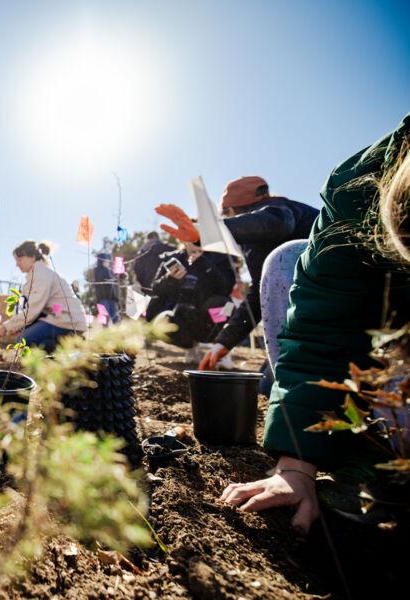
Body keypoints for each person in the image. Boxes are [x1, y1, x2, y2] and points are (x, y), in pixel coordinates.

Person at [220, 115, 410, 534]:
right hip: (370, 335)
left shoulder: (276, 213)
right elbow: (319, 316)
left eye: (231, 213)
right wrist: (296, 462)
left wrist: (209, 230)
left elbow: (273, 223)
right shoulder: (363, 185)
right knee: (288, 262)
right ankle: (357, 446)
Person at [155, 176, 319, 370]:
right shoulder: (267, 237)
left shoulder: (282, 211)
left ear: (232, 212)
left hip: (327, 314)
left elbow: (277, 221)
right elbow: (259, 295)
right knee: (267, 384)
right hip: (316, 311)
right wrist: (223, 343)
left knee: (284, 383)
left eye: (227, 218)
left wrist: (204, 234)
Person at [0, 241, 87, 353]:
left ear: (32, 257)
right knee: (26, 339)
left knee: (24, 341)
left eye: (20, 259)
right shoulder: (36, 274)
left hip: (68, 323)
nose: (17, 264)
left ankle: (73, 347)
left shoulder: (41, 274)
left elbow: (33, 310)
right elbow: (39, 311)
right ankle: (69, 346)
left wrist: (6, 327)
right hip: (62, 320)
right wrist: (19, 326)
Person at [145, 242, 236, 349]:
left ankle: (217, 344)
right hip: (175, 313)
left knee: (226, 306)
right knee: (168, 318)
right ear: (184, 240)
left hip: (203, 316)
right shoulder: (170, 258)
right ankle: (186, 342)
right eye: (193, 240)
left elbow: (226, 288)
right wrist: (170, 279)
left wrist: (206, 266)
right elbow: (155, 290)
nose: (197, 243)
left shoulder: (220, 259)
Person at [90, 253, 120, 325]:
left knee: (115, 317)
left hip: (112, 298)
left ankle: (118, 333)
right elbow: (104, 279)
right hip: (103, 299)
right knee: (104, 319)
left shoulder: (110, 271)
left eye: (108, 261)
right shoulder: (98, 271)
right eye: (105, 261)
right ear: (101, 262)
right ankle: (105, 334)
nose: (107, 262)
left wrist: (119, 276)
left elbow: (114, 283)